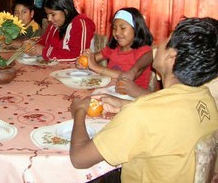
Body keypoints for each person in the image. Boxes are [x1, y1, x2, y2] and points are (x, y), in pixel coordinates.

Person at [69, 17, 218, 182]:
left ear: (171, 55)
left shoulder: (142, 114)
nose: (158, 45)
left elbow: (80, 158)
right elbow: (167, 117)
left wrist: (79, 111)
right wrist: (126, 104)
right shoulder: (206, 99)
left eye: (165, 39)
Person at [82, 7, 154, 97]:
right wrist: (84, 60)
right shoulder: (114, 48)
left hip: (131, 98)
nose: (117, 33)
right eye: (114, 28)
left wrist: (95, 67)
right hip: (110, 92)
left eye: (122, 28)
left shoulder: (142, 51)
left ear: (136, 29)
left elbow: (126, 76)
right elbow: (93, 58)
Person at [29, 0, 96, 61]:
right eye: (47, 14)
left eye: (53, 14)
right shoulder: (54, 24)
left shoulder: (81, 24)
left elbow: (78, 56)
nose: (49, 19)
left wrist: (44, 51)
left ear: (65, 11)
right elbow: (45, 42)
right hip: (59, 68)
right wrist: (33, 44)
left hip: (77, 71)